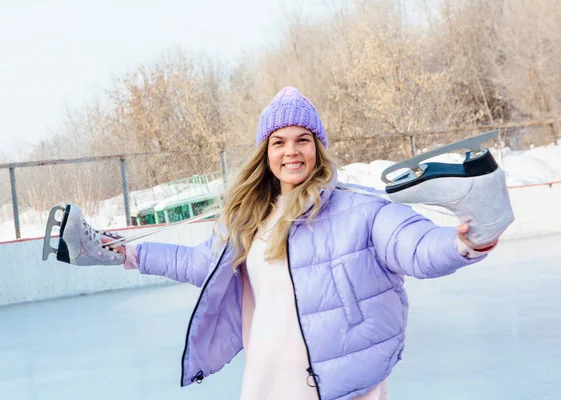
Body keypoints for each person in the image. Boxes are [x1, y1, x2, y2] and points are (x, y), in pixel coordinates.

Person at [108, 87, 499, 400]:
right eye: (278, 142)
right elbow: (199, 264)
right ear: (266, 153)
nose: (291, 151)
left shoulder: (357, 207)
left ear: (317, 147)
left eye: (302, 140)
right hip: (270, 377)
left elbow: (413, 245)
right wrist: (130, 254)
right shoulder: (249, 217)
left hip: (339, 378)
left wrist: (464, 244)